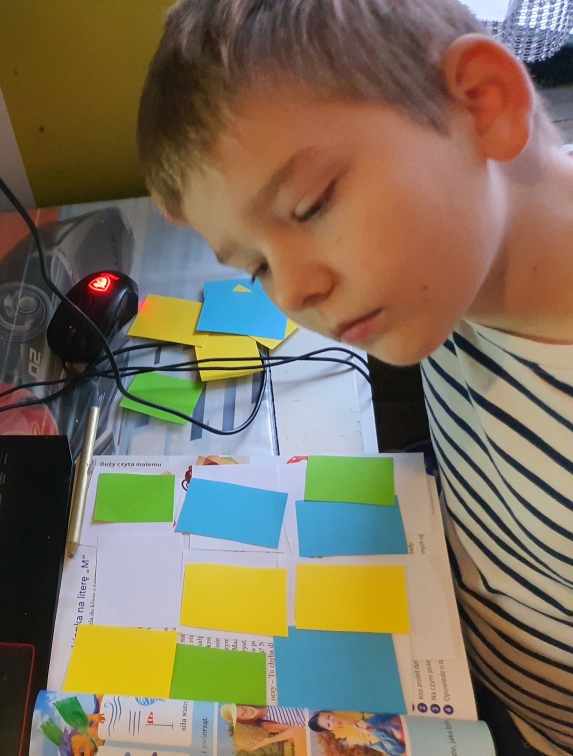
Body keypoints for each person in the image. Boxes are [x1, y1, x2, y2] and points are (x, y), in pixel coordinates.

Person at [137, 2, 573, 753]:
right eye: (257, 266)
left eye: (309, 206)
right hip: (469, 646)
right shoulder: (447, 277)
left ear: (481, 104)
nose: (293, 290)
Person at [308, 711, 405, 756]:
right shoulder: (352, 739)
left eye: (329, 716)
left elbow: (392, 712)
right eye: (329, 725)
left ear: (331, 712)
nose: (332, 721)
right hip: (398, 736)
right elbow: (397, 751)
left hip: (393, 719)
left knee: (372, 723)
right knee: (394, 752)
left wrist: (367, 724)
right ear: (330, 730)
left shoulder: (352, 709)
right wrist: (373, 732)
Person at [220, 703, 303, 750]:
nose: (247, 711)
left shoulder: (266, 701)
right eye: (243, 714)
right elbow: (294, 730)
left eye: (242, 708)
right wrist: (269, 740)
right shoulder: (266, 724)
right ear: (244, 721)